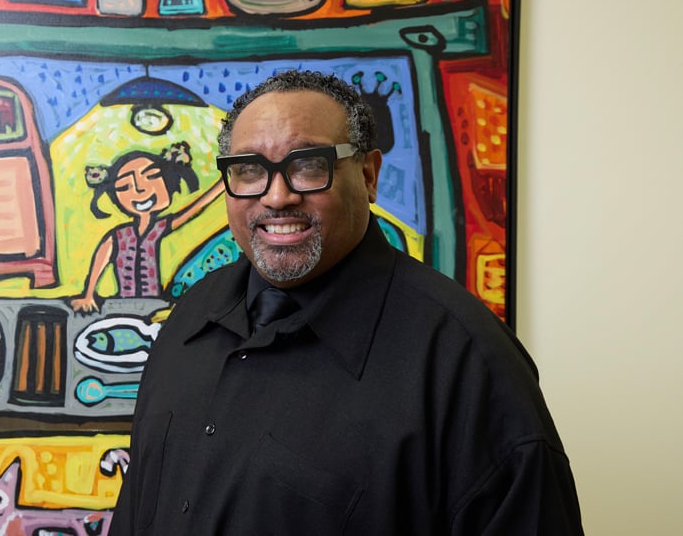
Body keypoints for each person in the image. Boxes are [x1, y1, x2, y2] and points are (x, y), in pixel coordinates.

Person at [107, 70, 582, 535]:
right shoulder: (190, 315)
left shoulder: (468, 363)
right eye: (250, 170)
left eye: (309, 164)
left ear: (369, 175)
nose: (277, 196)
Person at [70, 142, 223, 313]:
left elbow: (194, 209)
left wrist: (222, 185)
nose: (140, 189)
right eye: (124, 186)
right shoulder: (118, 235)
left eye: (151, 177)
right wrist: (89, 294)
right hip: (122, 305)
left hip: (154, 306)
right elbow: (100, 260)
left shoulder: (160, 227)